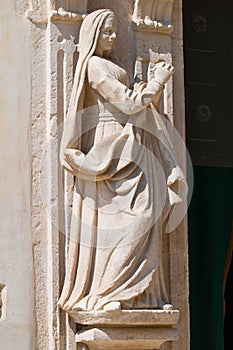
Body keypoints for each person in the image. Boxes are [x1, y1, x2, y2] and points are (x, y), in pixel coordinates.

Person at [58, 9, 185, 313]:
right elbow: (128, 103)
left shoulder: (112, 65)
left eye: (114, 31)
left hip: (134, 145)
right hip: (112, 147)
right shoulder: (94, 66)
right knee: (128, 222)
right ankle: (107, 293)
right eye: (107, 32)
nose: (113, 37)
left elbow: (132, 100)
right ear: (93, 34)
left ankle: (142, 295)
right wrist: (157, 82)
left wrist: (145, 85)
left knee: (149, 216)